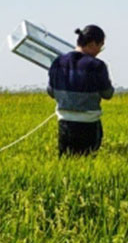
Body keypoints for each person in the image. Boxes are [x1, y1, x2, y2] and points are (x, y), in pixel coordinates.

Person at [47, 25, 114, 155]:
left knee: (66, 163)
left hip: (64, 123)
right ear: (93, 44)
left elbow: (51, 92)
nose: (100, 50)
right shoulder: (97, 65)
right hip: (89, 124)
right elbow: (108, 94)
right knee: (87, 162)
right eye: (101, 46)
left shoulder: (58, 62)